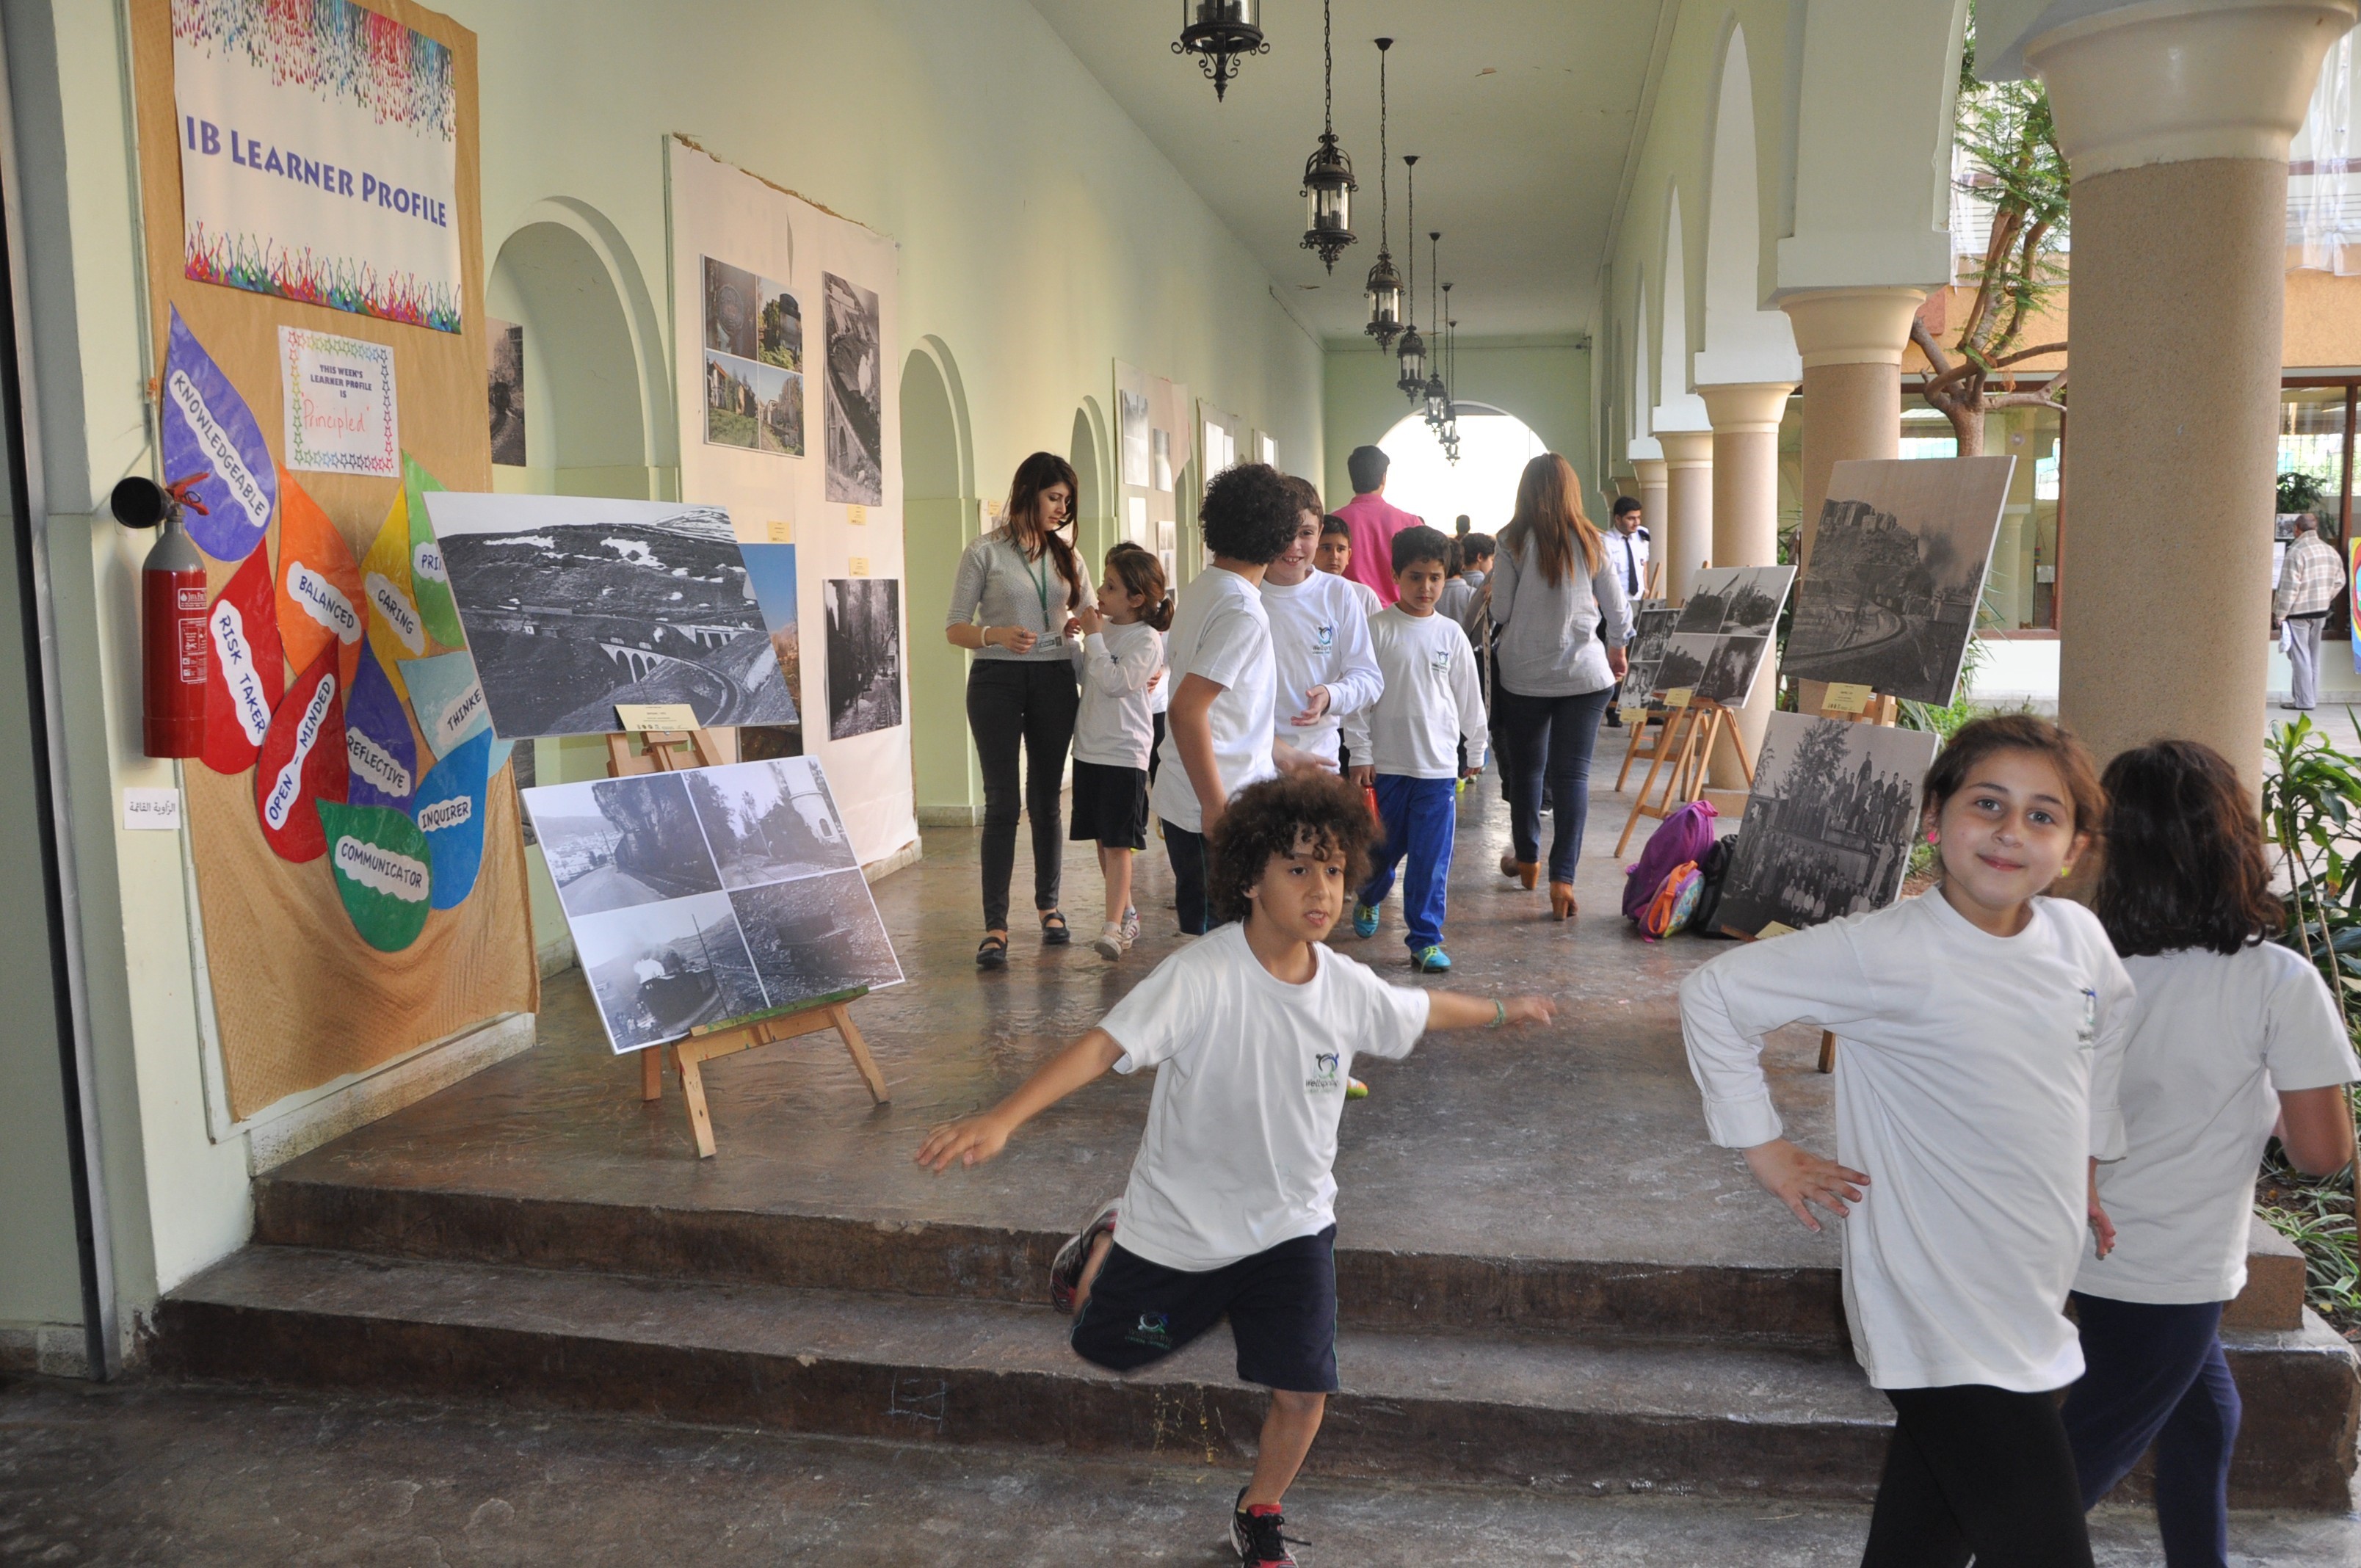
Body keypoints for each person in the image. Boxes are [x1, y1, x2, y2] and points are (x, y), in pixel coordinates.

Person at [915, 772, 1555, 1568]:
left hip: (1292, 1227)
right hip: (1182, 1228)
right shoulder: (1203, 976)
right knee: (1119, 1345)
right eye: (1297, 870)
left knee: (1303, 1389)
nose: (1321, 889)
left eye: (1331, 869)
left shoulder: (1347, 988)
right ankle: (1110, 1238)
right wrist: (1002, 1116)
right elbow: (1104, 1045)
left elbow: (1422, 1011)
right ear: (1250, 879)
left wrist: (1504, 1009)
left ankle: (1259, 1509)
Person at [1681, 715, 2132, 1567]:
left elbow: (2104, 1036)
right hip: (1936, 1306)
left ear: (2074, 847)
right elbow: (1716, 996)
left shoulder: (2079, 940)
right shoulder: (1885, 952)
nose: (2010, 831)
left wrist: (2085, 1164)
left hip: (2027, 1287)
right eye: (1988, 804)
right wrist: (1765, 1147)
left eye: (2044, 816)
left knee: (1921, 1542)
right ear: (1935, 817)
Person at [2066, 738, 2356, 1566]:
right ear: (2237, 843)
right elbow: (2320, 1153)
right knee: (2070, 1470)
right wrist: (2267, 1099)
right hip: (2174, 1263)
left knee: (2204, 1413)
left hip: (2086, 1244)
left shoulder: (2088, 966)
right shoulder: (2277, 982)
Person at [945, 451, 1087, 969]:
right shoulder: (983, 552)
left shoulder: (1068, 555)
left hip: (1054, 678)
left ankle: (1050, 906)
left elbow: (1092, 613)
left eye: (1067, 502)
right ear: (1028, 492)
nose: (1062, 510)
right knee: (1002, 802)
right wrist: (995, 634)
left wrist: (1090, 631)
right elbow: (955, 625)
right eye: (1055, 498)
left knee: (1047, 799)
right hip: (996, 680)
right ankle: (996, 926)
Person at [1153, 462, 1303, 936]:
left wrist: (1280, 752)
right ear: (1279, 539)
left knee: (1232, 938)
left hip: (1208, 793)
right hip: (1213, 802)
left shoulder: (1207, 587)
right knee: (1217, 943)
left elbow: (1225, 705)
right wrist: (1215, 808)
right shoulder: (1242, 608)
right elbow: (1186, 709)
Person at [1487, 454, 1631, 919]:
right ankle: (1562, 881)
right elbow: (1618, 609)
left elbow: (1501, 613)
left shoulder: (1509, 542)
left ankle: (1527, 861)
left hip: (1524, 675)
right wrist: (1616, 648)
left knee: (1528, 771)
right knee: (1572, 777)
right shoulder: (1593, 541)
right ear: (1571, 490)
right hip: (1585, 677)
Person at [1343, 526, 1488, 973]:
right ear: (1395, 576)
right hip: (1386, 767)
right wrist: (1360, 753)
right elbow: (1357, 698)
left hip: (1438, 771)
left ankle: (1425, 938)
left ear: (1447, 578)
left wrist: (1476, 751)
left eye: (1435, 577)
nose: (1425, 588)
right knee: (1380, 854)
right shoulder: (1376, 630)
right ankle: (1368, 896)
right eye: (1415, 576)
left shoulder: (1451, 635)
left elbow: (1469, 698)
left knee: (1431, 859)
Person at [1069, 543, 1172, 962]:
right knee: (1102, 838)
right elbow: (1089, 677)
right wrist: (1075, 644)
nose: (1100, 593)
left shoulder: (1146, 640)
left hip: (1124, 753)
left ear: (1136, 599)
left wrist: (1093, 638)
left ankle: (1112, 927)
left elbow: (1116, 682)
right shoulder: (1106, 630)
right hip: (1090, 749)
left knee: (1119, 843)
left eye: (1110, 587)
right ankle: (1126, 911)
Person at [1261, 478, 1382, 777]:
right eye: (1284, 533)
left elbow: (1369, 678)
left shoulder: (1338, 593)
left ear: (1318, 533)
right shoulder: (1247, 594)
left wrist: (1331, 695)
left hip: (1319, 761)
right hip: (1255, 762)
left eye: (1305, 533)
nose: (1294, 546)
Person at [1331, 445, 1424, 606]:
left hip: (1345, 614)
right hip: (1396, 618)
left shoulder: (1332, 524)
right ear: (1383, 477)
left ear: (1352, 478)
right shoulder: (1411, 523)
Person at [2273, 512, 2341, 711]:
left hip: (2298, 613)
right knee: (2313, 656)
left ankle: (2304, 701)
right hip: (2320, 612)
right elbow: (2340, 581)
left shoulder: (2296, 551)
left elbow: (2289, 587)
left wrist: (2280, 614)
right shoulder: (2329, 551)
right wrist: (2326, 597)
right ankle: (2310, 698)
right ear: (2316, 528)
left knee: (2300, 657)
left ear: (2296, 529)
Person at [1316, 514, 1383, 618]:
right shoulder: (1302, 594)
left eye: (1340, 549)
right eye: (1326, 548)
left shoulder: (1365, 596)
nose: (1334, 556)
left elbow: (1378, 633)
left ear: (1349, 555)